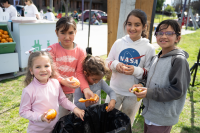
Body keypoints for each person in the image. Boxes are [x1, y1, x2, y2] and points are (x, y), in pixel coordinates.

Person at [130, 19, 191, 133]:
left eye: (169, 33)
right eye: (160, 33)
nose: (163, 36)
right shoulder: (156, 57)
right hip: (150, 112)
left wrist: (149, 92)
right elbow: (149, 78)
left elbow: (178, 91)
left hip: (162, 118)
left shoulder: (178, 61)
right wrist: (141, 84)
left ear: (178, 38)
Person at [105, 9, 155, 126]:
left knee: (126, 123)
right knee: (108, 120)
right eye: (129, 24)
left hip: (133, 95)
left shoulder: (149, 48)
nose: (132, 28)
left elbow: (150, 72)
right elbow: (107, 61)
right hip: (114, 91)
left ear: (144, 27)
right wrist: (115, 65)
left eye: (137, 25)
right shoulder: (118, 43)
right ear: (125, 25)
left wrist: (135, 71)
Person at [19, 50, 85, 133]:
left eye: (46, 66)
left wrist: (74, 108)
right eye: (38, 67)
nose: (43, 70)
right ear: (31, 70)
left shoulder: (55, 83)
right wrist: (41, 117)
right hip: (36, 131)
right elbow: (23, 112)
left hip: (54, 128)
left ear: (51, 67)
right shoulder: (28, 90)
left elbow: (63, 100)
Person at [48, 16, 94, 119]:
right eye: (62, 33)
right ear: (56, 33)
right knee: (50, 119)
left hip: (68, 94)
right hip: (52, 91)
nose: (67, 37)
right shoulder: (52, 49)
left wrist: (86, 89)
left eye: (70, 33)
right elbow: (51, 71)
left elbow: (80, 73)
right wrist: (62, 80)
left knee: (63, 119)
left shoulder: (81, 51)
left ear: (75, 32)